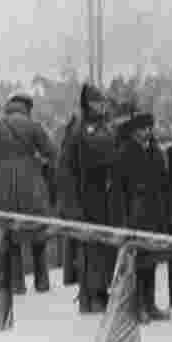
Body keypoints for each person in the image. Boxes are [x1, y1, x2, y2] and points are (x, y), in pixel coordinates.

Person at [0, 91, 57, 294]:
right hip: (32, 184)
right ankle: (42, 282)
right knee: (37, 232)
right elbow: (51, 152)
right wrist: (37, 161)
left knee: (10, 234)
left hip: (4, 186)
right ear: (27, 108)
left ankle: (16, 284)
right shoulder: (34, 126)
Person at [110, 113, 172, 323]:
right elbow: (118, 191)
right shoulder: (125, 153)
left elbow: (165, 182)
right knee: (137, 264)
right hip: (136, 213)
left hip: (154, 212)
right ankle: (137, 307)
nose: (148, 131)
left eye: (150, 127)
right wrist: (123, 219)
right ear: (135, 131)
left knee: (152, 261)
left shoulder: (156, 151)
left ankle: (151, 304)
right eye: (144, 128)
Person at [67, 85, 120, 313]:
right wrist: (71, 203)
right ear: (88, 103)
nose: (102, 105)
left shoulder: (106, 125)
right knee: (91, 249)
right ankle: (91, 297)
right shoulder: (78, 128)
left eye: (103, 102)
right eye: (98, 102)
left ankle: (98, 293)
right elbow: (67, 168)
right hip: (86, 195)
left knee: (104, 248)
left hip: (105, 196)